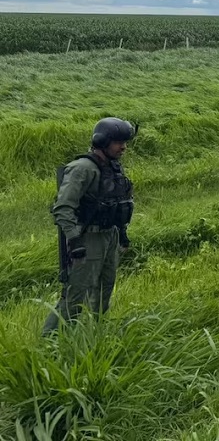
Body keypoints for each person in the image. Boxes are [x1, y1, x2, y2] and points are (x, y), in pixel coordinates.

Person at [43, 117, 136, 335]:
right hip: (88, 239)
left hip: (109, 237)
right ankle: (50, 342)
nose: (123, 147)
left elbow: (118, 203)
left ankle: (96, 334)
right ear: (102, 141)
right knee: (76, 295)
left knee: (104, 290)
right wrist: (74, 241)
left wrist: (121, 235)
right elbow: (63, 207)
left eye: (125, 141)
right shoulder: (83, 169)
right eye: (118, 142)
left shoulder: (112, 167)